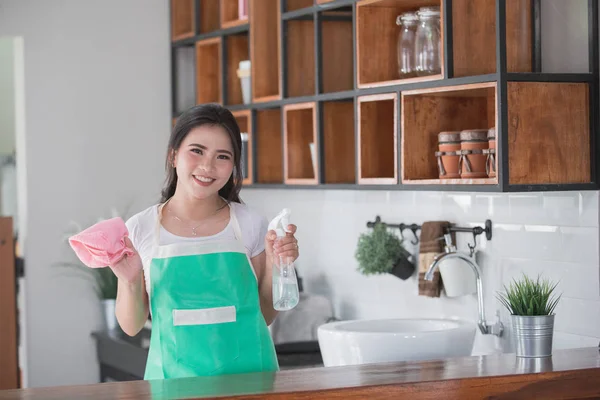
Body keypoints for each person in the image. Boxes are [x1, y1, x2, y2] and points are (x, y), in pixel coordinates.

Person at [108, 103, 300, 380]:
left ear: (233, 166)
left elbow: (264, 315)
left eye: (222, 156)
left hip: (251, 382)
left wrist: (277, 263)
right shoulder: (141, 228)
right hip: (171, 385)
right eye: (196, 151)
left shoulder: (251, 223)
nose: (207, 166)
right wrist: (128, 280)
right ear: (174, 156)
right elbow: (131, 326)